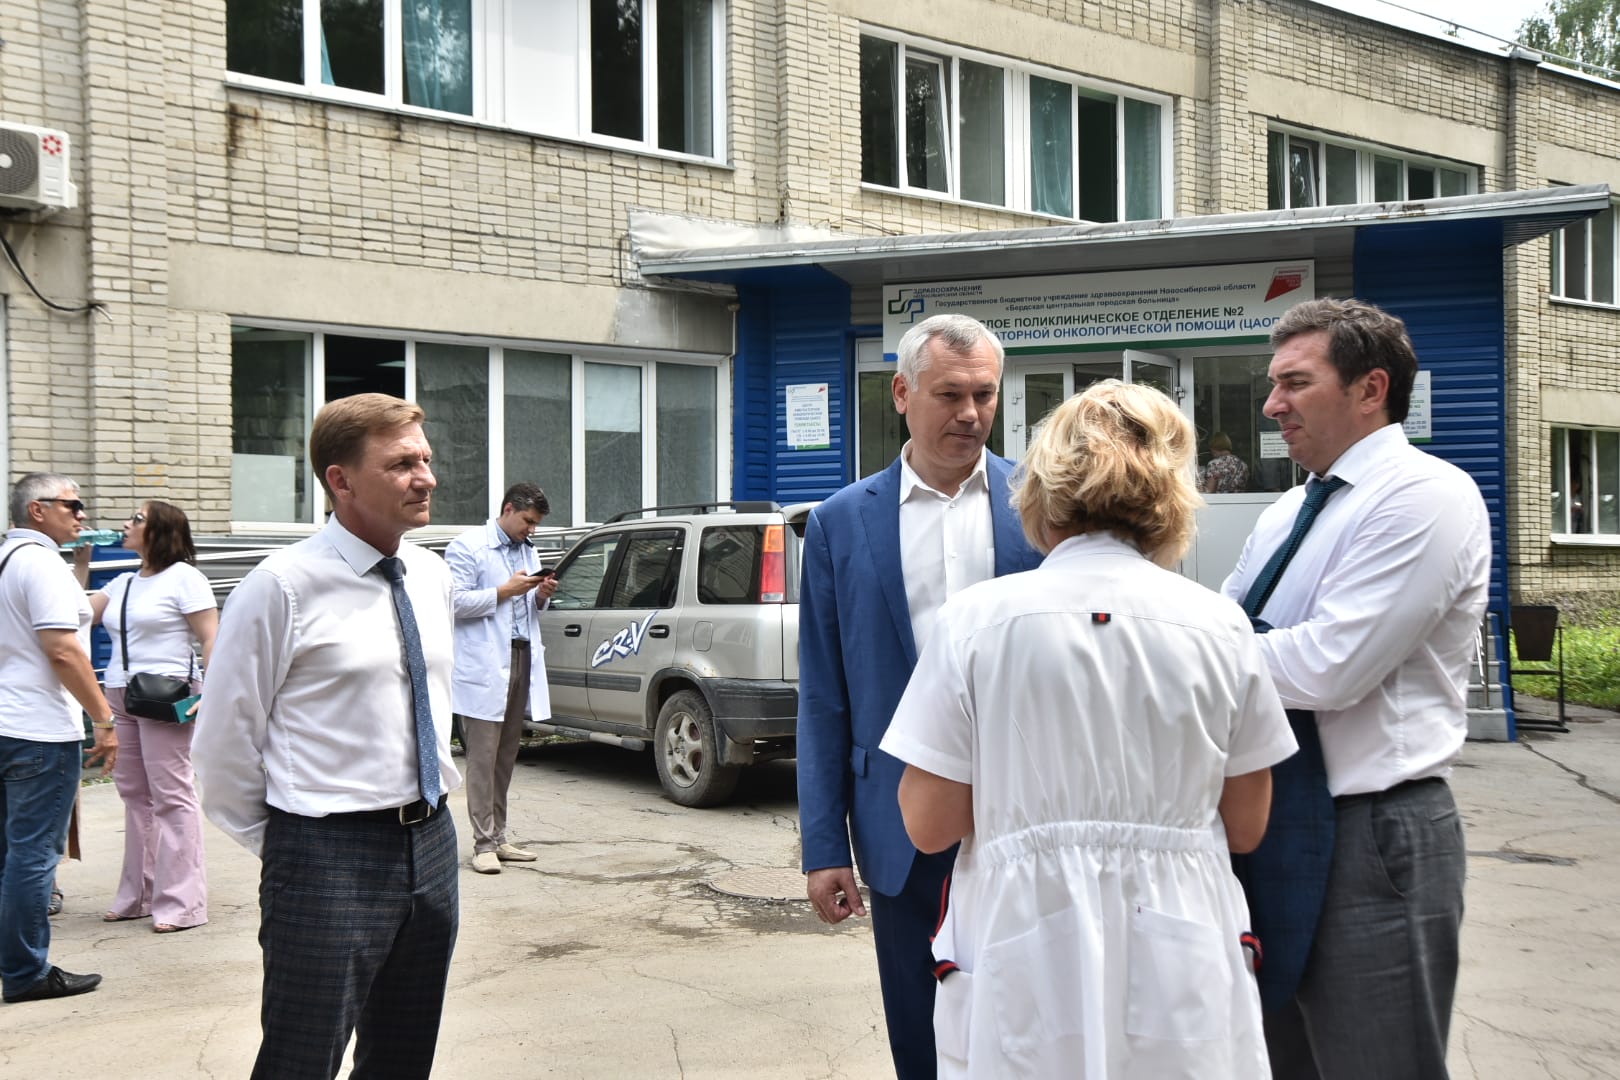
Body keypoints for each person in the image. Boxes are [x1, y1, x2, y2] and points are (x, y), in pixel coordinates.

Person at [880, 381, 1296, 1078]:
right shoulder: (1221, 627)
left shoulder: (974, 623)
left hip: (1021, 935)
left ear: (1042, 489)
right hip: (1180, 937)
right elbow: (1248, 825)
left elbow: (929, 824)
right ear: (1171, 491)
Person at [1222, 298, 1489, 1080]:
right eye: (1274, 384)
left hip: (1371, 833)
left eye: (1295, 383)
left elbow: (1329, 667)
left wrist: (1175, 654)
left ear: (1371, 389)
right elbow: (1229, 625)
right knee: (1278, 1058)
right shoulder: (1287, 511)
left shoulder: (1424, 496)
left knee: (1378, 1061)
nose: (1272, 405)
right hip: (1275, 817)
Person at [796, 313, 1044, 1079]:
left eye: (985, 395)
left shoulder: (1041, 504)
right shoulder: (840, 524)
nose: (970, 413)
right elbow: (824, 696)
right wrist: (825, 848)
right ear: (902, 393)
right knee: (920, 1038)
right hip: (899, 828)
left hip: (1028, 819)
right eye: (950, 395)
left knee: (1030, 1035)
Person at [194, 394, 462, 1079]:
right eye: (401, 464)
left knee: (403, 1053)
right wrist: (296, 844)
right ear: (340, 480)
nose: (426, 478)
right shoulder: (281, 587)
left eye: (425, 459)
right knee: (301, 1056)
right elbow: (222, 745)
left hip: (431, 841)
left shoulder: (432, 575)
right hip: (326, 851)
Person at [0, 472, 116, 1003]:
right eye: (73, 504)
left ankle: (13, 959)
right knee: (33, 855)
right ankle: (26, 972)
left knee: (11, 853)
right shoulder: (40, 563)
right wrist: (104, 719)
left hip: (10, 721)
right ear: (38, 510)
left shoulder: (10, 559)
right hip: (38, 730)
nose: (82, 514)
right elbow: (63, 649)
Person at [86, 501, 217, 933]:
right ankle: (138, 895)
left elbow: (211, 637)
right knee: (133, 793)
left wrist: (211, 691)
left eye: (137, 519)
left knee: (172, 794)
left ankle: (183, 903)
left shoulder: (185, 578)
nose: (126, 524)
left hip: (165, 693)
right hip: (120, 693)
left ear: (161, 531)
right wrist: (81, 563)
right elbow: (77, 615)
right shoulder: (123, 582)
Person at [445, 482, 558, 874]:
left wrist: (541, 594)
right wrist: (503, 591)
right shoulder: (468, 546)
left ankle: (499, 836)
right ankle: (482, 845)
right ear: (509, 509)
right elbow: (454, 603)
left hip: (521, 655)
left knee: (507, 755)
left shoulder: (527, 548)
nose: (532, 529)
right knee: (483, 757)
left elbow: (529, 608)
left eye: (536, 524)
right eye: (528, 521)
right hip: (485, 663)